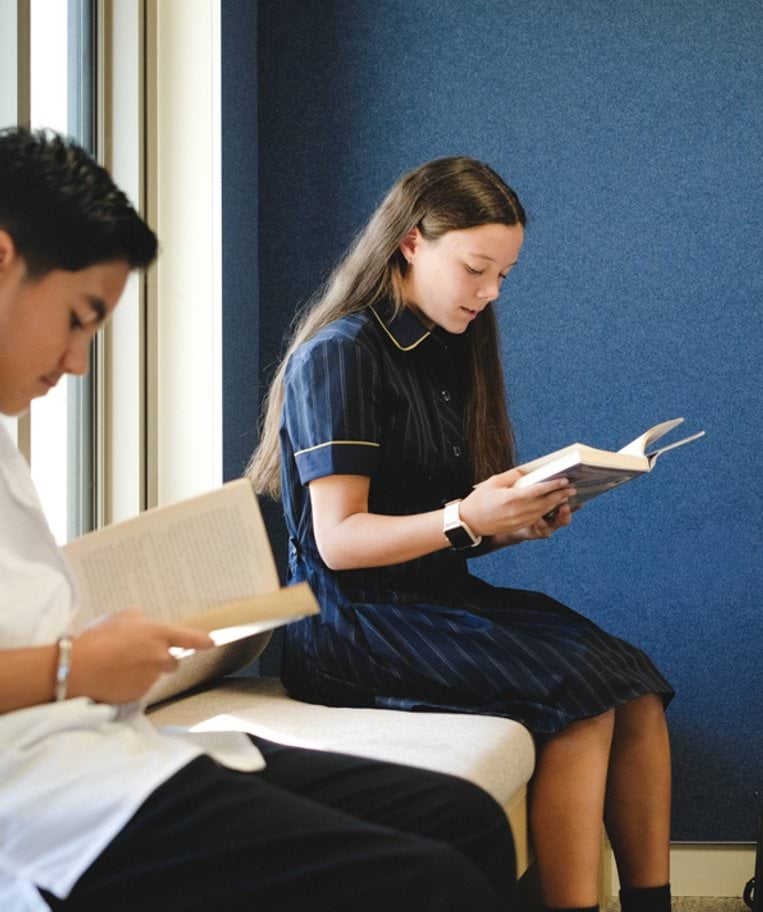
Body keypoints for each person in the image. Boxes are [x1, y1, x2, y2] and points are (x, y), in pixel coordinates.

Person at [0, 126, 519, 911]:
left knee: (465, 818)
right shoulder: (342, 353)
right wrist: (70, 667)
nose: (78, 362)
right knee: (432, 880)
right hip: (45, 800)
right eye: (78, 317)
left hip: (106, 743)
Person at [245, 156, 675, 912]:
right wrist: (466, 518)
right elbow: (340, 542)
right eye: (477, 269)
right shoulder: (341, 355)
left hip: (430, 599)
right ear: (411, 242)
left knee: (632, 680)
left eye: (504, 276)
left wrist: (511, 521)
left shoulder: (446, 347)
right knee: (582, 692)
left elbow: (441, 521)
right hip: (351, 626)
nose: (490, 293)